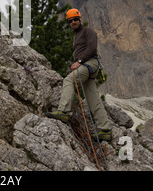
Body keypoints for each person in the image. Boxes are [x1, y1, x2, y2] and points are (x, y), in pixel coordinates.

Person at [46, 8, 113, 141]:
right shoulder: (77, 36)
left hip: (90, 63)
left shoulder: (88, 32)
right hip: (86, 66)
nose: (73, 22)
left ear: (80, 19)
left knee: (69, 80)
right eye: (70, 21)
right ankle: (105, 130)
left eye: (75, 19)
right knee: (92, 98)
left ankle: (64, 111)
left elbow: (92, 48)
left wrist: (80, 61)